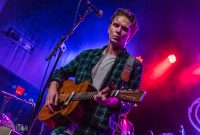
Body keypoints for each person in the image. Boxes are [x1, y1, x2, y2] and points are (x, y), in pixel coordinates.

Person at [45, 8, 142, 135]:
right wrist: (53, 87)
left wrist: (111, 101)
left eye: (124, 29)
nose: (118, 30)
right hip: (65, 125)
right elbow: (61, 72)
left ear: (130, 36)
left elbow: (127, 103)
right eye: (116, 25)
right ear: (109, 28)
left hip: (96, 129)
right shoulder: (87, 55)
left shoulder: (132, 65)